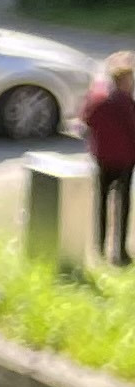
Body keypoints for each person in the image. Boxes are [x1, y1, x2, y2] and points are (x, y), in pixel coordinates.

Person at [85, 52, 135, 269]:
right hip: (125, 160)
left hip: (103, 158)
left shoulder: (100, 99)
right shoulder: (127, 103)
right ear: (124, 80)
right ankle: (120, 251)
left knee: (102, 201)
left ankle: (99, 246)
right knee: (123, 204)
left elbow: (88, 120)